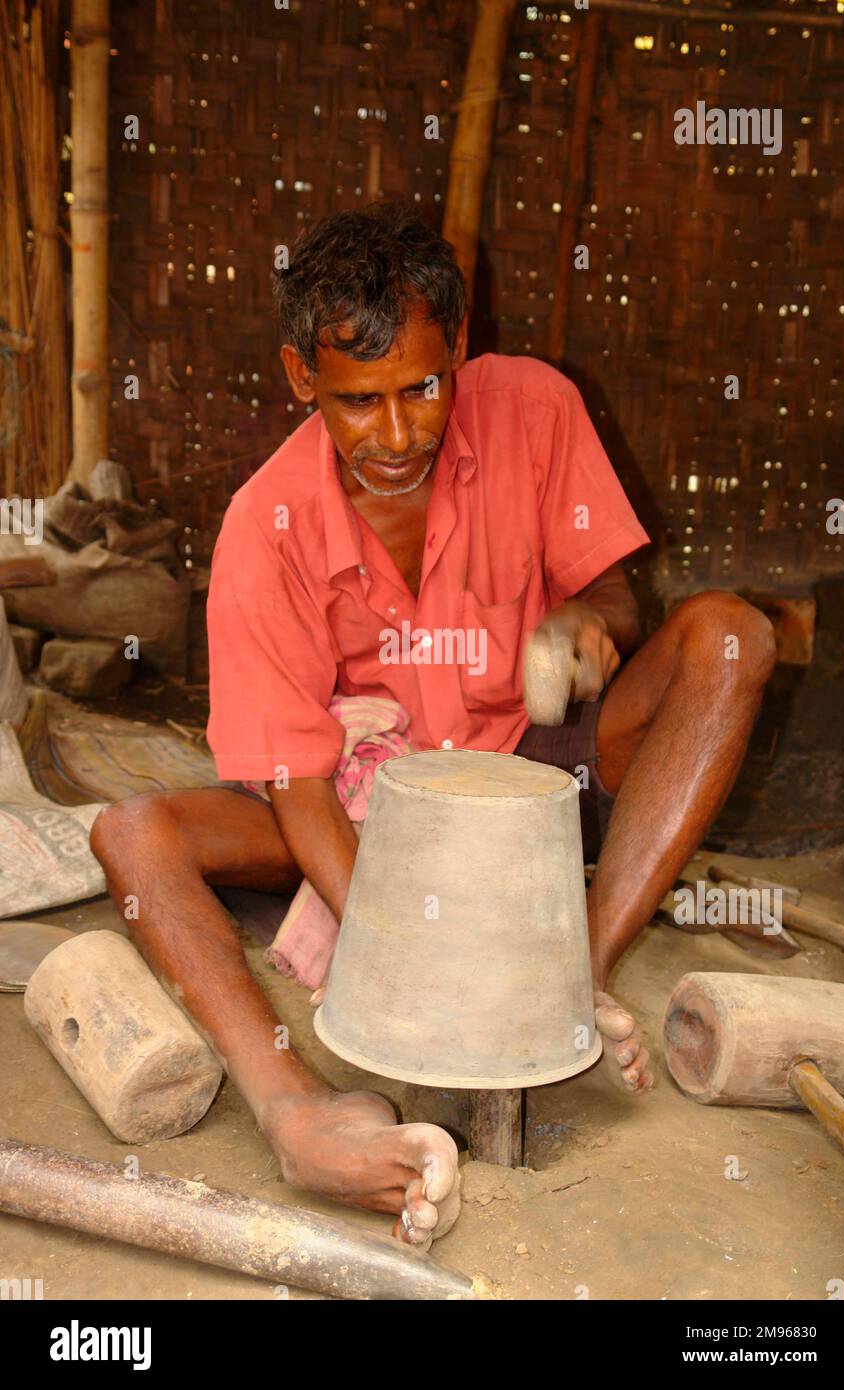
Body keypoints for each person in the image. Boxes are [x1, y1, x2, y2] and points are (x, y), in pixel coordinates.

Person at [90, 204, 776, 1247]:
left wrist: (585, 623)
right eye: (359, 402)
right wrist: (421, 964)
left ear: (458, 349)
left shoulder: (535, 408)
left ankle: (574, 982)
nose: (400, 433)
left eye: (423, 386)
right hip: (368, 801)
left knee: (731, 638)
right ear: (299, 377)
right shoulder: (262, 529)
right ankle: (291, 1112)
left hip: (532, 780)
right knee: (132, 832)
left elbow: (619, 602)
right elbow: (300, 784)